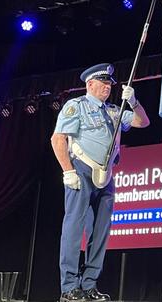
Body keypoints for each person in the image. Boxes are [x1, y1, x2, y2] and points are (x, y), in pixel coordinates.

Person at [51, 63, 150, 302]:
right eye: (103, 83)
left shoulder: (115, 111)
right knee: (74, 229)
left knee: (101, 231)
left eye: (110, 84)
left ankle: (89, 285)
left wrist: (134, 101)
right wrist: (68, 171)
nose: (107, 87)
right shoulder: (76, 106)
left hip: (106, 175)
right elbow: (58, 138)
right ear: (90, 84)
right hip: (82, 170)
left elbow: (142, 122)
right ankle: (69, 287)